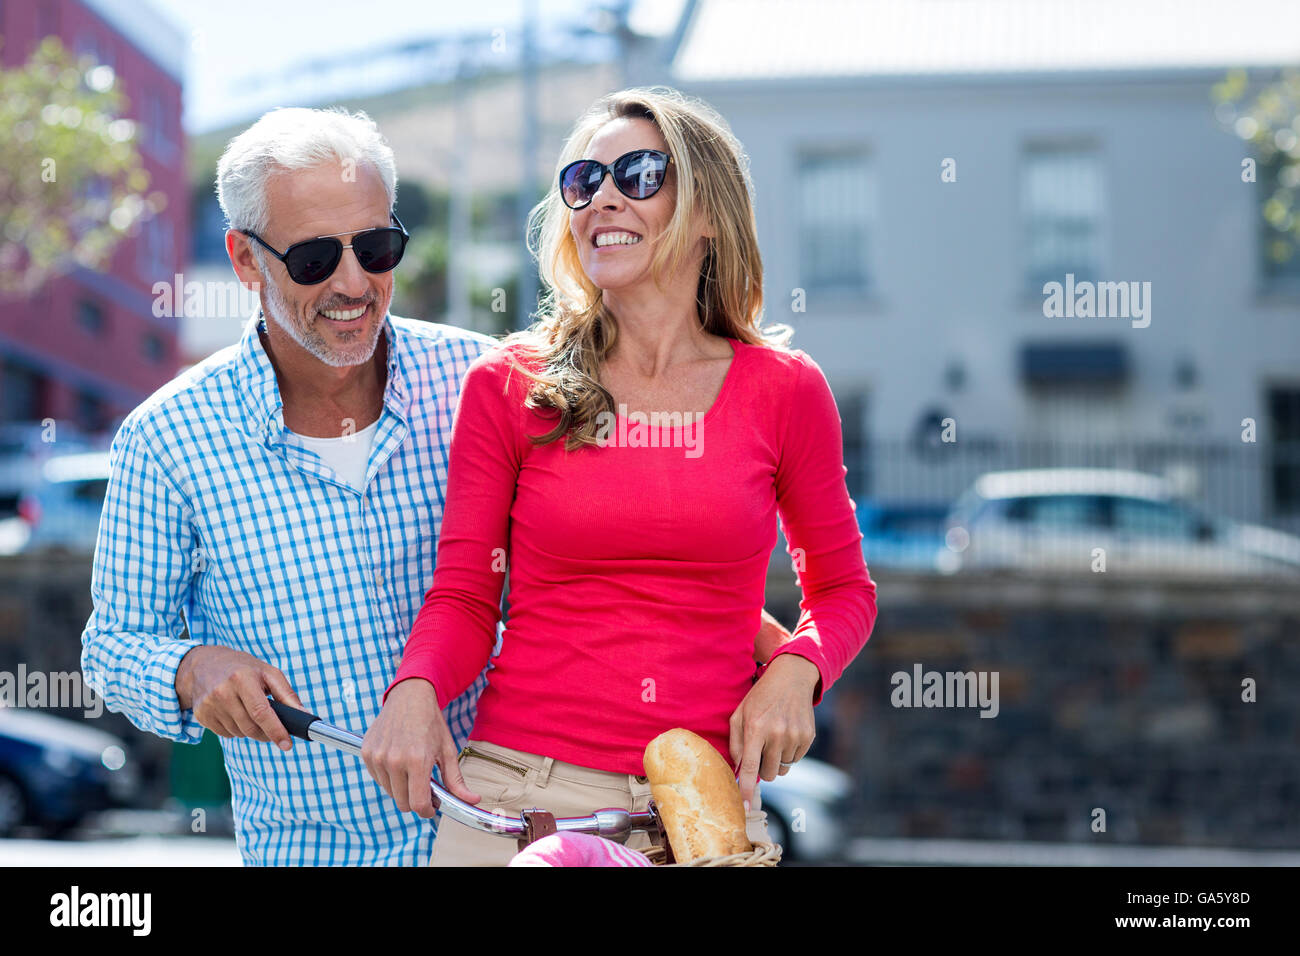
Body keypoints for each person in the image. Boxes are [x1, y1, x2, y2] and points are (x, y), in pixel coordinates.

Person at [362, 87, 878, 866]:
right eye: (583, 180)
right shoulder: (510, 384)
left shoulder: (786, 391)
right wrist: (415, 688)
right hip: (517, 799)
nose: (602, 195)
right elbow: (468, 593)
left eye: (638, 174)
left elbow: (843, 592)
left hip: (700, 813)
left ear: (708, 212)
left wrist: (796, 672)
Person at [79, 107, 500, 865]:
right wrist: (188, 668)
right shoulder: (167, 438)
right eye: (312, 259)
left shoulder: (484, 382)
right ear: (245, 260)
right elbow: (111, 648)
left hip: (505, 842)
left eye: (376, 248)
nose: (353, 283)